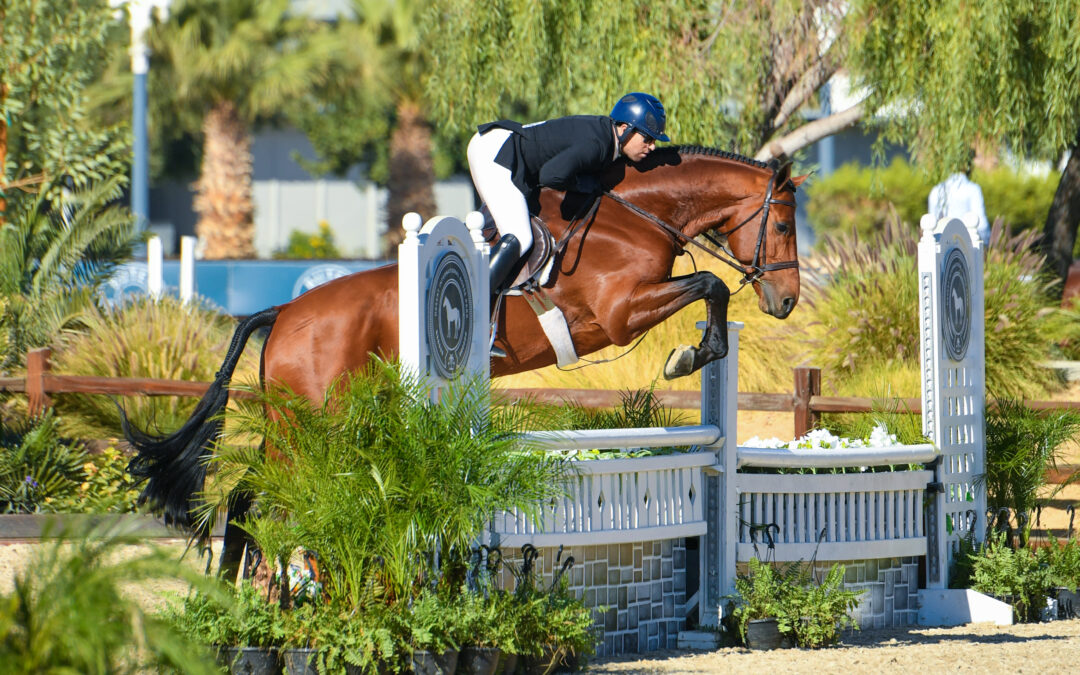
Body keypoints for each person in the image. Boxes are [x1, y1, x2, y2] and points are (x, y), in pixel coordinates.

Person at [467, 92, 670, 298]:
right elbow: (551, 175)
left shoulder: (604, 136)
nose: (652, 147)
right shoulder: (596, 144)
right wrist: (582, 184)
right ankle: (473, 301)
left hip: (499, 147)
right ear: (626, 129)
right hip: (495, 154)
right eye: (648, 138)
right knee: (520, 237)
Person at [927, 157, 990, 245]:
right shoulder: (973, 190)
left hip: (941, 249)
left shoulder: (936, 190)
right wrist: (986, 244)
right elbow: (982, 225)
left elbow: (930, 225)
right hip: (967, 250)